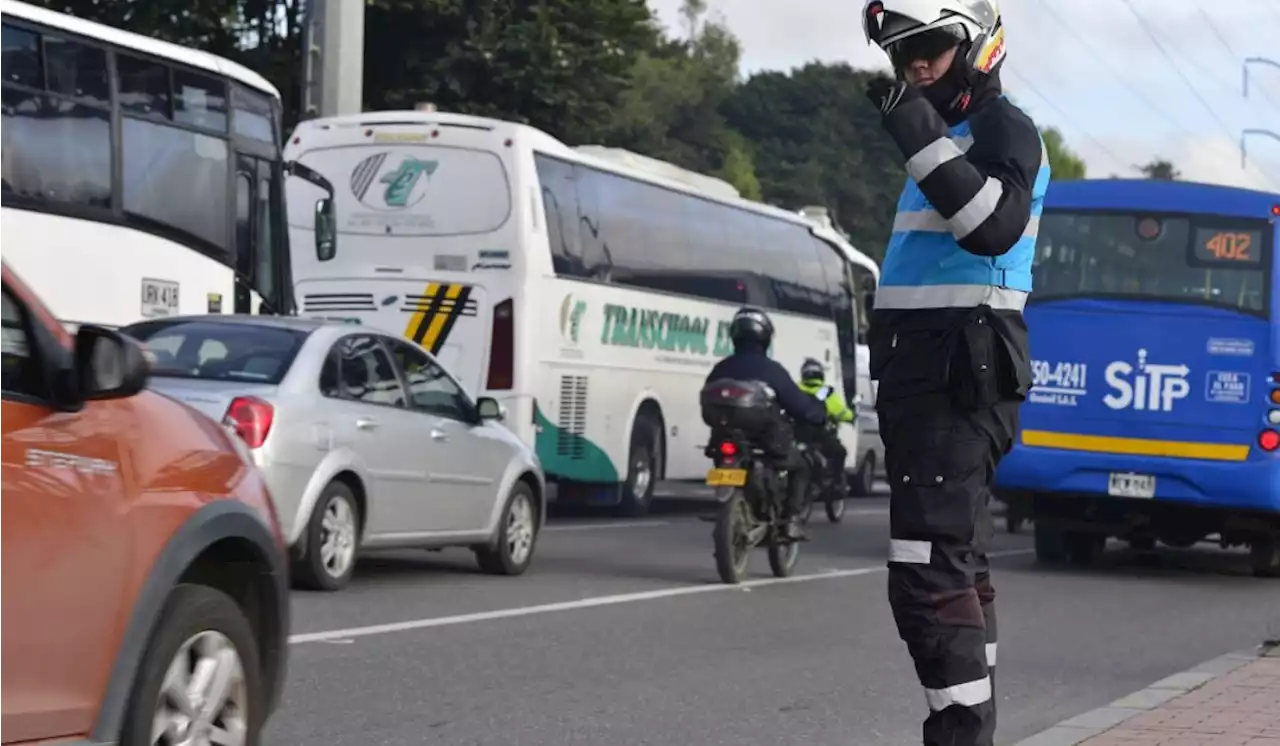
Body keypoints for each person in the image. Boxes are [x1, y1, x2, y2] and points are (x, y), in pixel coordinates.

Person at [860, 1, 1046, 745]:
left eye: (931, 46)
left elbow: (991, 226)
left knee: (928, 570)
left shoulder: (1002, 127)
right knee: (956, 568)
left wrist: (913, 130)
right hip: (930, 374)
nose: (916, 65)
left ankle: (961, 735)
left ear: (978, 45)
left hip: (957, 370)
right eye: (902, 53)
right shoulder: (951, 140)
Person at [704, 306, 827, 540]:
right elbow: (799, 405)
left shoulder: (721, 368)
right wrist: (817, 415)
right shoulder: (772, 370)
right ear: (765, 337)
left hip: (723, 438)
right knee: (801, 465)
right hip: (766, 442)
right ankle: (791, 520)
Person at [796, 357, 855, 494]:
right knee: (840, 452)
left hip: (796, 432)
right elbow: (841, 412)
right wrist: (851, 416)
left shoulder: (796, 389)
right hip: (819, 434)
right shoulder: (825, 392)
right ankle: (836, 483)